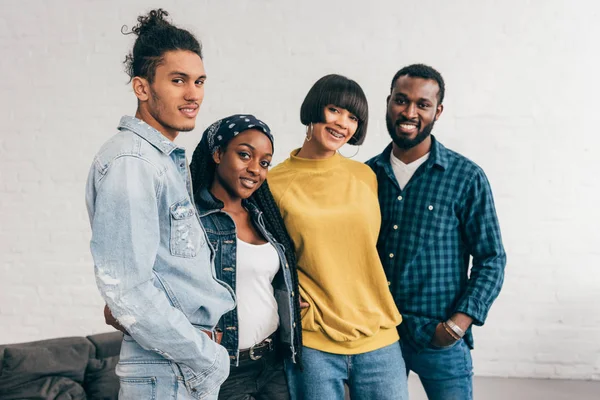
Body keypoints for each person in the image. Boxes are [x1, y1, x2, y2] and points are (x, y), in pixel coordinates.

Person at [85, 9, 235, 399]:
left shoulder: (159, 160)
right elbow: (127, 288)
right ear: (142, 87)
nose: (193, 94)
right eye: (178, 81)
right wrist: (206, 358)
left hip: (176, 365)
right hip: (168, 369)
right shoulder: (131, 163)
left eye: (199, 81)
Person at [366, 63, 507, 400]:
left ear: (437, 111)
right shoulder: (365, 177)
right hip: (378, 335)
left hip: (438, 335)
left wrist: (459, 323)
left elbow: (491, 257)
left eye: (422, 104)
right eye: (401, 100)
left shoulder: (465, 176)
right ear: (388, 102)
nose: (409, 112)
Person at [268, 74, 409, 400]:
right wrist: (283, 296)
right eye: (334, 110)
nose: (342, 123)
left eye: (353, 117)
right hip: (314, 339)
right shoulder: (274, 184)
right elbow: (264, 255)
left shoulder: (366, 176)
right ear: (315, 109)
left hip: (378, 334)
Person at [189, 114, 303, 399]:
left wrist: (288, 301)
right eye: (244, 155)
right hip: (225, 368)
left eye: (264, 162)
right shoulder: (191, 219)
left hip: (272, 361)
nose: (255, 169)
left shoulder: (264, 218)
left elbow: (263, 282)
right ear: (217, 153)